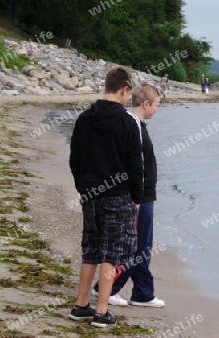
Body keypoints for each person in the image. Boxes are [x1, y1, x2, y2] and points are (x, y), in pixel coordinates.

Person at [68, 67, 143, 328]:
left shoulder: (84, 118)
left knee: (91, 248)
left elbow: (75, 158)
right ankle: (102, 310)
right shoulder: (128, 121)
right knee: (111, 252)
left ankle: (80, 305)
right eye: (128, 93)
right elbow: (136, 164)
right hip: (118, 194)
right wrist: (137, 196)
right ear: (124, 90)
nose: (127, 98)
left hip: (91, 193)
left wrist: (83, 187)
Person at [92, 84, 165, 308]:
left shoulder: (136, 124)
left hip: (145, 194)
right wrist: (136, 197)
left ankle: (143, 292)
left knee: (143, 245)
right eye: (156, 106)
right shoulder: (133, 127)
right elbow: (135, 166)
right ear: (145, 104)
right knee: (137, 246)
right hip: (139, 196)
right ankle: (108, 288)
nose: (157, 110)